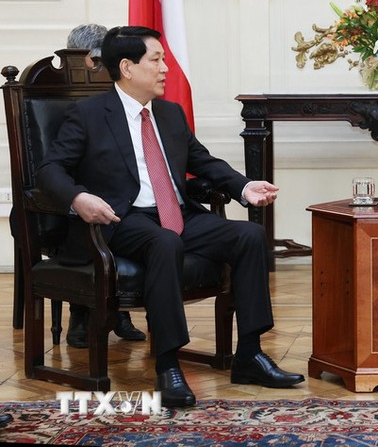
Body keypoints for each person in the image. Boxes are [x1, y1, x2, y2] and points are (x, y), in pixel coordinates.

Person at [37, 26, 304, 407]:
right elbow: (50, 170)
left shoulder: (169, 113)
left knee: (248, 236)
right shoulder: (89, 114)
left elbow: (203, 162)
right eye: (157, 60)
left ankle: (250, 355)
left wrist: (244, 188)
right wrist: (79, 197)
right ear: (127, 67)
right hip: (123, 218)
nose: (165, 68)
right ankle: (168, 365)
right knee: (165, 241)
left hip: (176, 213)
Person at [63, 23, 146, 348]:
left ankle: (121, 309)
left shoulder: (122, 95)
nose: (102, 70)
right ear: (81, 59)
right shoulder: (68, 97)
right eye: (96, 61)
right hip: (68, 196)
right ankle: (80, 315)